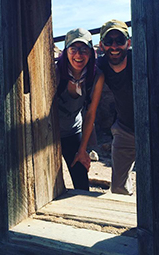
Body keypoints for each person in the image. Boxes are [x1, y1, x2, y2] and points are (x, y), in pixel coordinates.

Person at [56, 28, 104, 191]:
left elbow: (90, 113)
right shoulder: (54, 72)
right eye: (73, 49)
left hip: (72, 130)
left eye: (84, 49)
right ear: (66, 51)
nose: (78, 55)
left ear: (91, 52)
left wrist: (83, 149)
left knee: (81, 181)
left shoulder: (96, 76)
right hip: (48, 133)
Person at [97, 19, 135, 195]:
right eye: (108, 41)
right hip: (125, 128)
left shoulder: (139, 60)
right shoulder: (101, 65)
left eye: (119, 41)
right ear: (101, 45)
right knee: (118, 187)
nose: (114, 46)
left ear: (128, 42)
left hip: (156, 129)